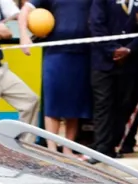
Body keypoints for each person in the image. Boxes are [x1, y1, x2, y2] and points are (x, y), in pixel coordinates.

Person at [20, 0, 93, 147]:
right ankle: (52, 149)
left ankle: (68, 149)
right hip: (55, 53)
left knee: (75, 106)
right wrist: (23, 35)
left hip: (83, 53)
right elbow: (25, 11)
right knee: (53, 104)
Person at [87, 0, 138, 156]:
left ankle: (121, 142)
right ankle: (103, 147)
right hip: (103, 62)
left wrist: (129, 49)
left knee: (126, 103)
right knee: (103, 105)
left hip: (131, 62)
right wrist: (113, 50)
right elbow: (96, 26)